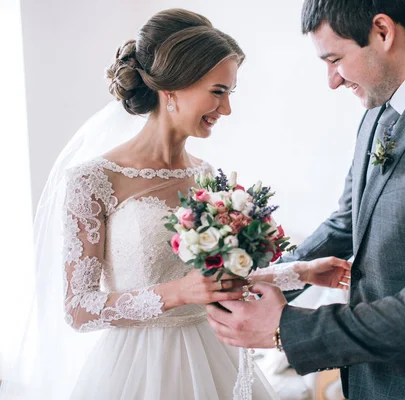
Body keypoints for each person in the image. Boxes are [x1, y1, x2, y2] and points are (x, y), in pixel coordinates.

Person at [0, 8, 349, 400]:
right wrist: (179, 293)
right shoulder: (94, 179)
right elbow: (79, 308)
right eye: (218, 92)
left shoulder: (207, 175)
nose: (227, 109)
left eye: (229, 93)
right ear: (172, 90)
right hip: (136, 371)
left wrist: (303, 272)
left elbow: (220, 282)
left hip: (214, 355)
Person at [206, 1, 405, 399]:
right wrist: (259, 280)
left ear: (383, 31)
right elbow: (347, 221)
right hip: (369, 379)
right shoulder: (380, 109)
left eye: (335, 59)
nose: (332, 80)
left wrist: (285, 328)